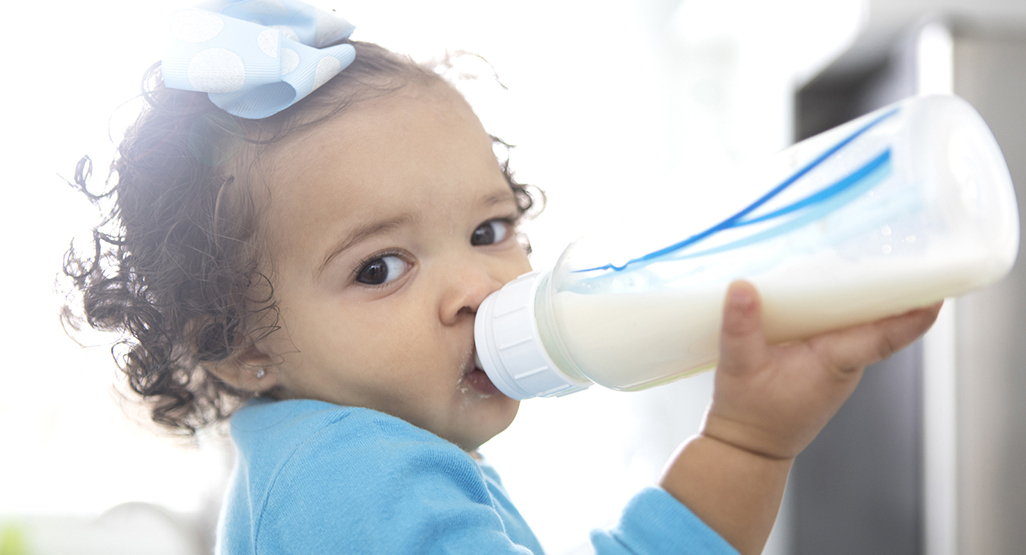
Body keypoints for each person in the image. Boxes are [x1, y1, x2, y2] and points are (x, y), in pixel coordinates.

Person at [63, 2, 941, 553]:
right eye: (380, 267)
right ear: (242, 346)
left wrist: (749, 444)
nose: (476, 286)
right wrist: (747, 444)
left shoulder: (351, 463)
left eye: (489, 229)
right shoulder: (353, 478)